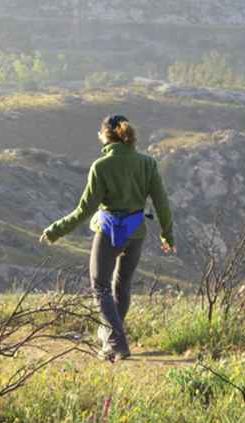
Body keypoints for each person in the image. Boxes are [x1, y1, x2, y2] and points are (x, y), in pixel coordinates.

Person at [40, 115, 175, 361]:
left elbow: (84, 210)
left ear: (105, 135)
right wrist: (168, 234)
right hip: (136, 232)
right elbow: (161, 202)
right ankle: (110, 338)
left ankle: (115, 342)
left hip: (109, 232)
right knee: (122, 286)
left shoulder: (101, 166)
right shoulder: (147, 163)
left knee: (100, 286)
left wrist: (56, 230)